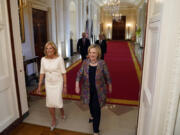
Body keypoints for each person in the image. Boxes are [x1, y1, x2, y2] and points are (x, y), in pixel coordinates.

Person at [75, 45, 112, 135]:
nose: (91, 54)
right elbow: (79, 74)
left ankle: (96, 130)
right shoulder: (85, 62)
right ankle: (92, 116)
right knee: (90, 104)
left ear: (98, 53)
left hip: (99, 91)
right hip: (87, 90)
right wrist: (77, 85)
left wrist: (110, 85)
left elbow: (107, 75)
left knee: (97, 109)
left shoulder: (102, 63)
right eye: (90, 52)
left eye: (94, 52)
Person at [36, 41, 67, 131]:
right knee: (50, 102)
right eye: (47, 48)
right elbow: (42, 73)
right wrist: (39, 85)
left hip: (58, 82)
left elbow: (64, 73)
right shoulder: (43, 59)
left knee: (57, 100)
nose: (49, 50)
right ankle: (53, 119)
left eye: (50, 48)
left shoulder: (59, 59)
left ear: (54, 49)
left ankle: (62, 111)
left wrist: (65, 86)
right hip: (48, 83)